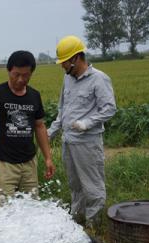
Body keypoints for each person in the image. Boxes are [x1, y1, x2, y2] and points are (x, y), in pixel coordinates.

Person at [47, 35, 116, 227]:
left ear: (76, 58)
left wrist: (87, 123)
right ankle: (76, 221)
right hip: (69, 141)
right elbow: (62, 109)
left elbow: (109, 108)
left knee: (92, 186)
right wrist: (50, 132)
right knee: (75, 185)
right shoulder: (67, 79)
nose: (62, 66)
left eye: (64, 62)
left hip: (87, 142)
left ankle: (93, 227)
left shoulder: (99, 79)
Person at [0, 50, 55, 199]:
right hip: (4, 165)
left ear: (31, 73)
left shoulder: (34, 96)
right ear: (9, 71)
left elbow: (39, 126)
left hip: (29, 163)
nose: (20, 79)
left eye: (25, 75)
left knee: (31, 208)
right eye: (16, 74)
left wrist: (48, 158)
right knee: (5, 212)